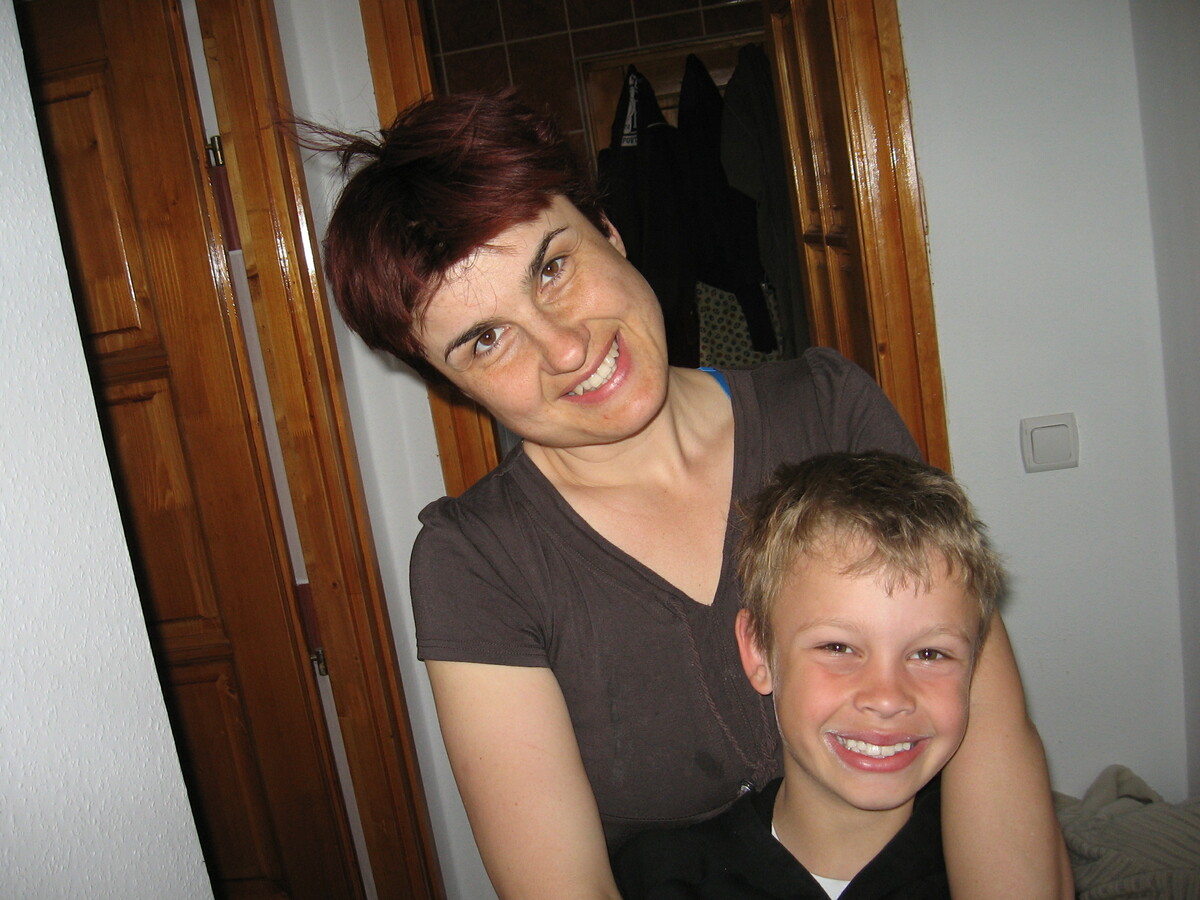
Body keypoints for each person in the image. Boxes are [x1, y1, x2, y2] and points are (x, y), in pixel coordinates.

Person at [316, 90, 1071, 900]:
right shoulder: (478, 563)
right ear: (450, 383)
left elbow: (990, 727)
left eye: (553, 267)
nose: (565, 349)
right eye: (486, 339)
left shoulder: (828, 411)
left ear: (608, 231)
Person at [613, 451, 1005, 899]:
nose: (887, 697)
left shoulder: (1005, 872)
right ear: (759, 651)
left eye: (930, 654)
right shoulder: (656, 877)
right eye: (838, 648)